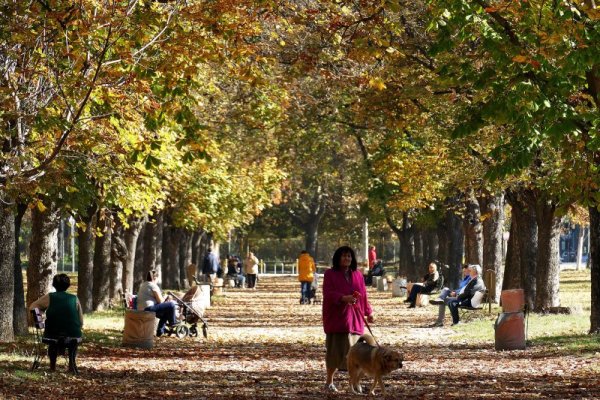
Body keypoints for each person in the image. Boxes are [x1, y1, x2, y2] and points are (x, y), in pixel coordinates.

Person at [322, 246, 373, 393]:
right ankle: (329, 382)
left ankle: (354, 384)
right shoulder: (330, 274)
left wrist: (368, 312)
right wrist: (343, 298)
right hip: (337, 320)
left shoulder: (357, 275)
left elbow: (363, 294)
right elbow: (328, 293)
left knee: (358, 356)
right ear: (338, 258)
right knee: (334, 354)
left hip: (355, 320)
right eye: (344, 256)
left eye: (349, 256)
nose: (347, 259)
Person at [29, 273, 83, 373]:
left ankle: (52, 366)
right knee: (73, 344)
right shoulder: (74, 298)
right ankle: (71, 365)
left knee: (52, 343)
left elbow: (33, 307)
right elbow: (80, 320)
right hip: (73, 334)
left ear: (54, 285)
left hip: (52, 334)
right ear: (68, 285)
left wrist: (40, 316)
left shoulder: (50, 297)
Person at [137, 270, 178, 336]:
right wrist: (166, 296)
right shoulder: (153, 286)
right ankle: (172, 323)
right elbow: (160, 301)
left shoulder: (143, 284)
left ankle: (160, 331)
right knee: (171, 304)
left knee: (166, 312)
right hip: (148, 308)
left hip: (141, 308)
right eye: (157, 279)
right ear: (155, 278)